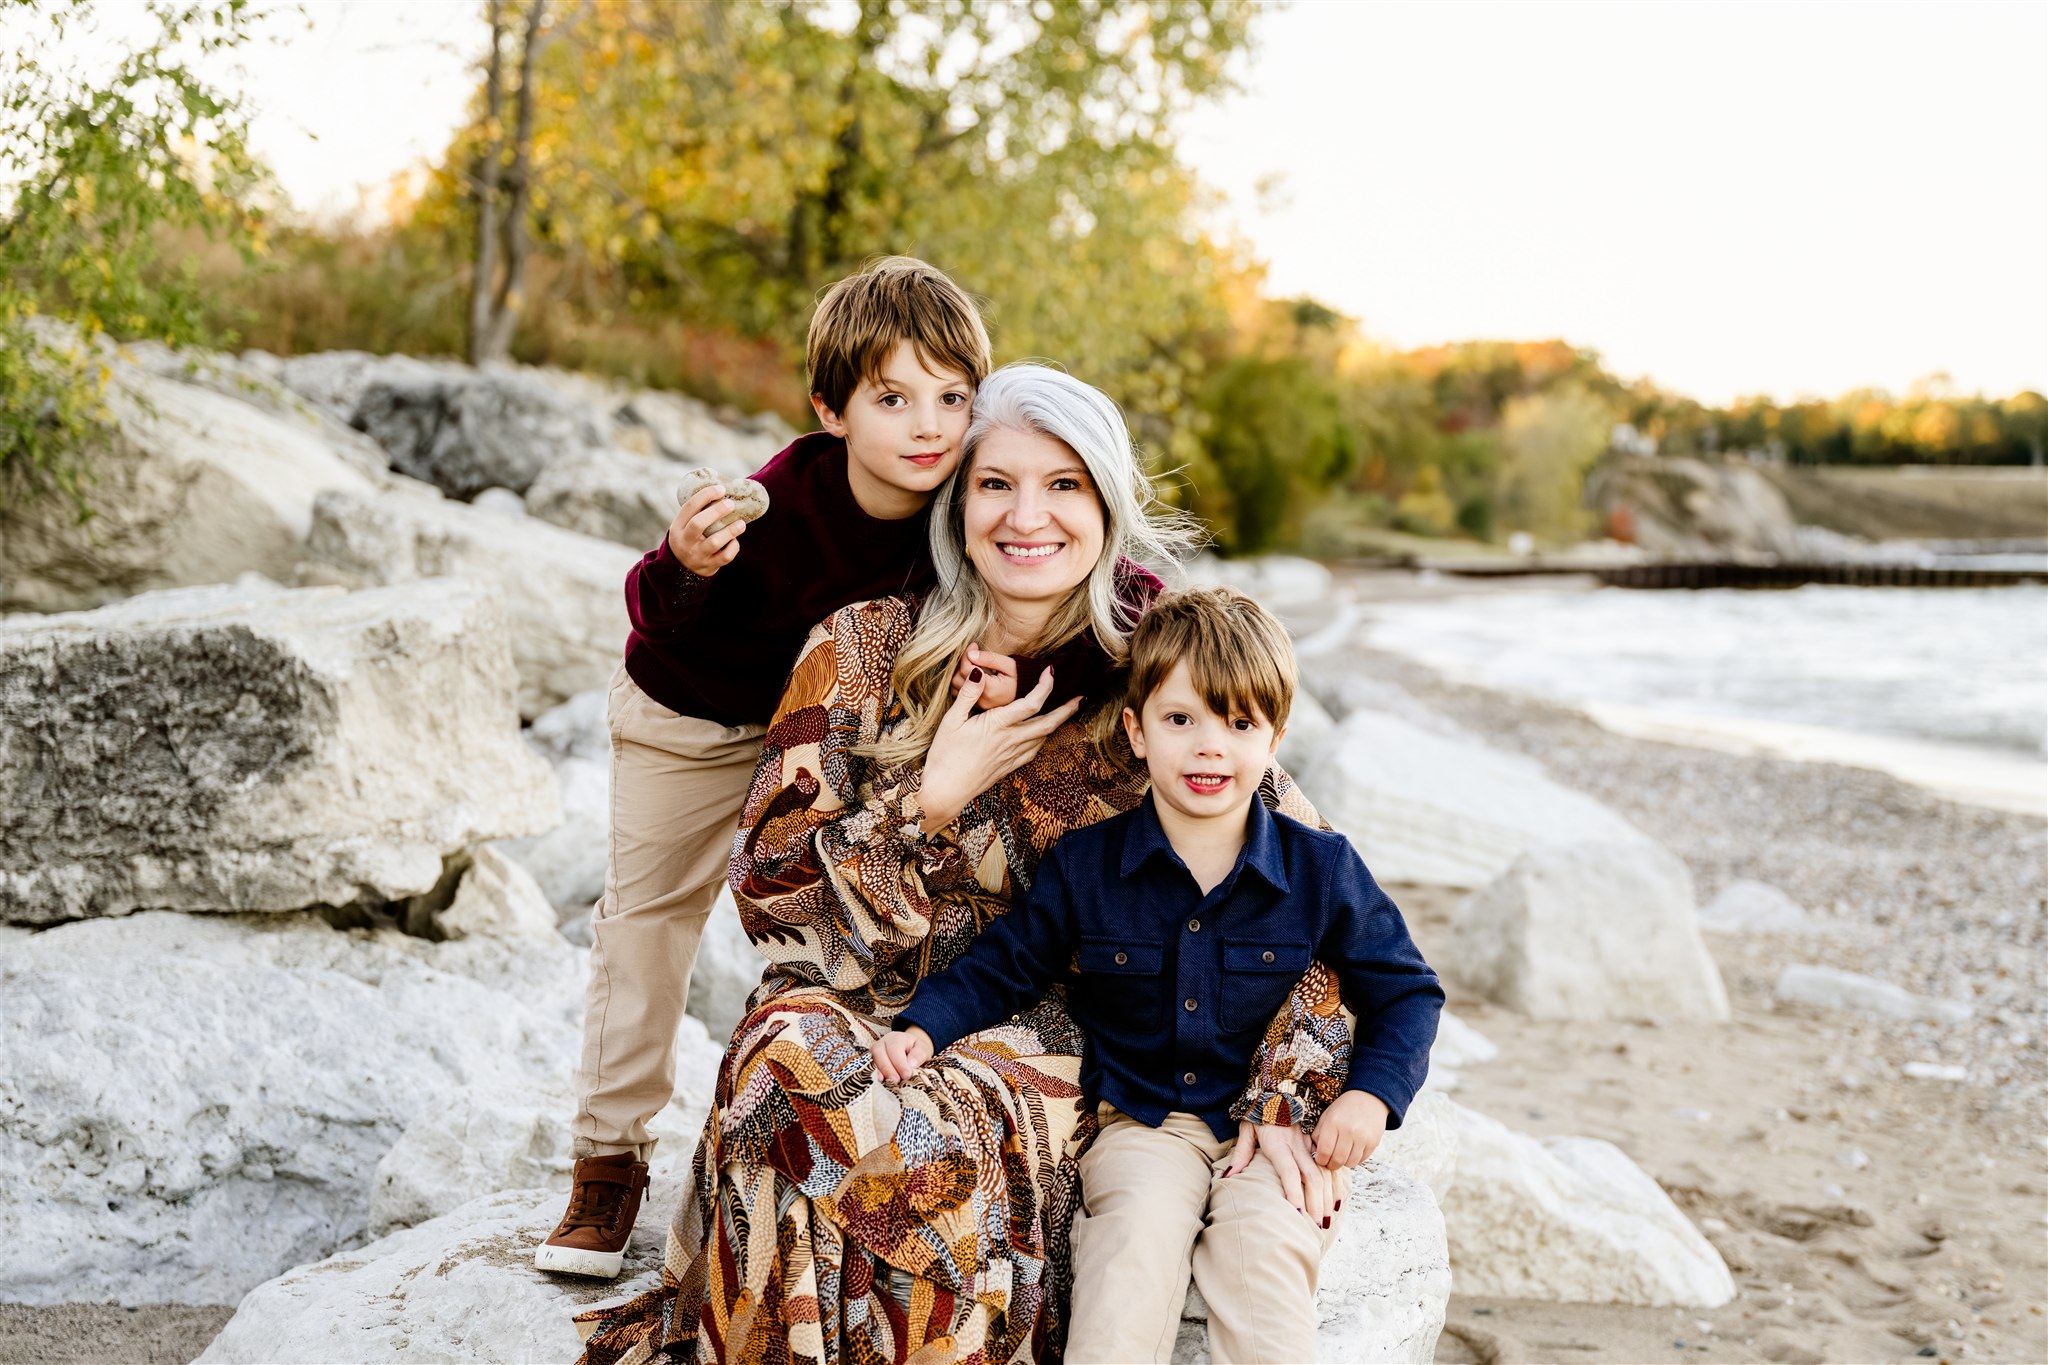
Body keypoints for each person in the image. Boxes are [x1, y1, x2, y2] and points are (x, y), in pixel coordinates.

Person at [574, 364, 1357, 1365]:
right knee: (786, 1065)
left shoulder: (1158, 680)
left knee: (930, 1138)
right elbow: (768, 897)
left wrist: (1285, 1107)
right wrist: (926, 800)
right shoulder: (861, 647)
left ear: (1107, 501)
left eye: (1063, 484)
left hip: (1045, 1038)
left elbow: (1314, 902)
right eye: (995, 484)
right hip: (849, 1005)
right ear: (956, 500)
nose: (1026, 516)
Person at [536, 256, 992, 1278]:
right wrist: (682, 561)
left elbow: (1058, 540)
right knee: (647, 920)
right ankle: (605, 1162)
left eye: (951, 398)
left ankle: (809, 1123)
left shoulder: (963, 498)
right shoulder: (780, 502)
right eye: (891, 398)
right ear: (830, 411)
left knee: (841, 906)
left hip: (824, 731)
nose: (928, 426)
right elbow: (651, 608)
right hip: (691, 717)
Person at [873, 586, 1444, 1363]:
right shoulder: (1086, 865)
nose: (1210, 747)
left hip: (1275, 1131)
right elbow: (1007, 963)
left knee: (1264, 1262)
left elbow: (1407, 990)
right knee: (1128, 1262)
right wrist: (924, 1024)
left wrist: (1371, 1096)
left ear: (1274, 738)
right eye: (1182, 720)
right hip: (1142, 1123)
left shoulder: (1322, 867)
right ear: (1138, 732)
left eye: (1238, 723)